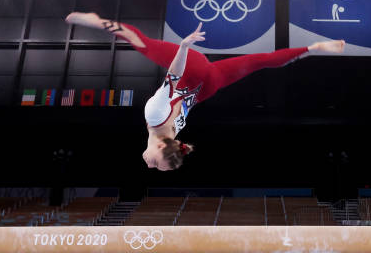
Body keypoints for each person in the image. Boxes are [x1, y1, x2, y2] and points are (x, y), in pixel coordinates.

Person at [65, 12, 345, 171]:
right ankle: (96, 21)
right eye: (155, 164)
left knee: (260, 62)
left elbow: (177, 105)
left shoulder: (173, 135)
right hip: (193, 72)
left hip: (208, 87)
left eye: (155, 167)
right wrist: (184, 47)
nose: (149, 166)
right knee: (141, 42)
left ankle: (310, 49)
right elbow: (173, 77)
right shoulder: (155, 116)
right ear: (161, 147)